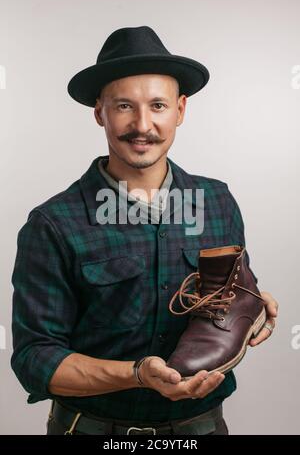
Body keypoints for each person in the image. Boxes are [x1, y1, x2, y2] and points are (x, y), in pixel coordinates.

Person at [11, 26, 278, 436]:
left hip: (202, 428)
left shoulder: (218, 201)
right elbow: (35, 358)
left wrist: (251, 302)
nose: (142, 124)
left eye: (157, 105)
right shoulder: (54, 223)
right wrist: (138, 374)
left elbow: (228, 293)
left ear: (180, 109)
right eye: (123, 106)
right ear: (99, 111)